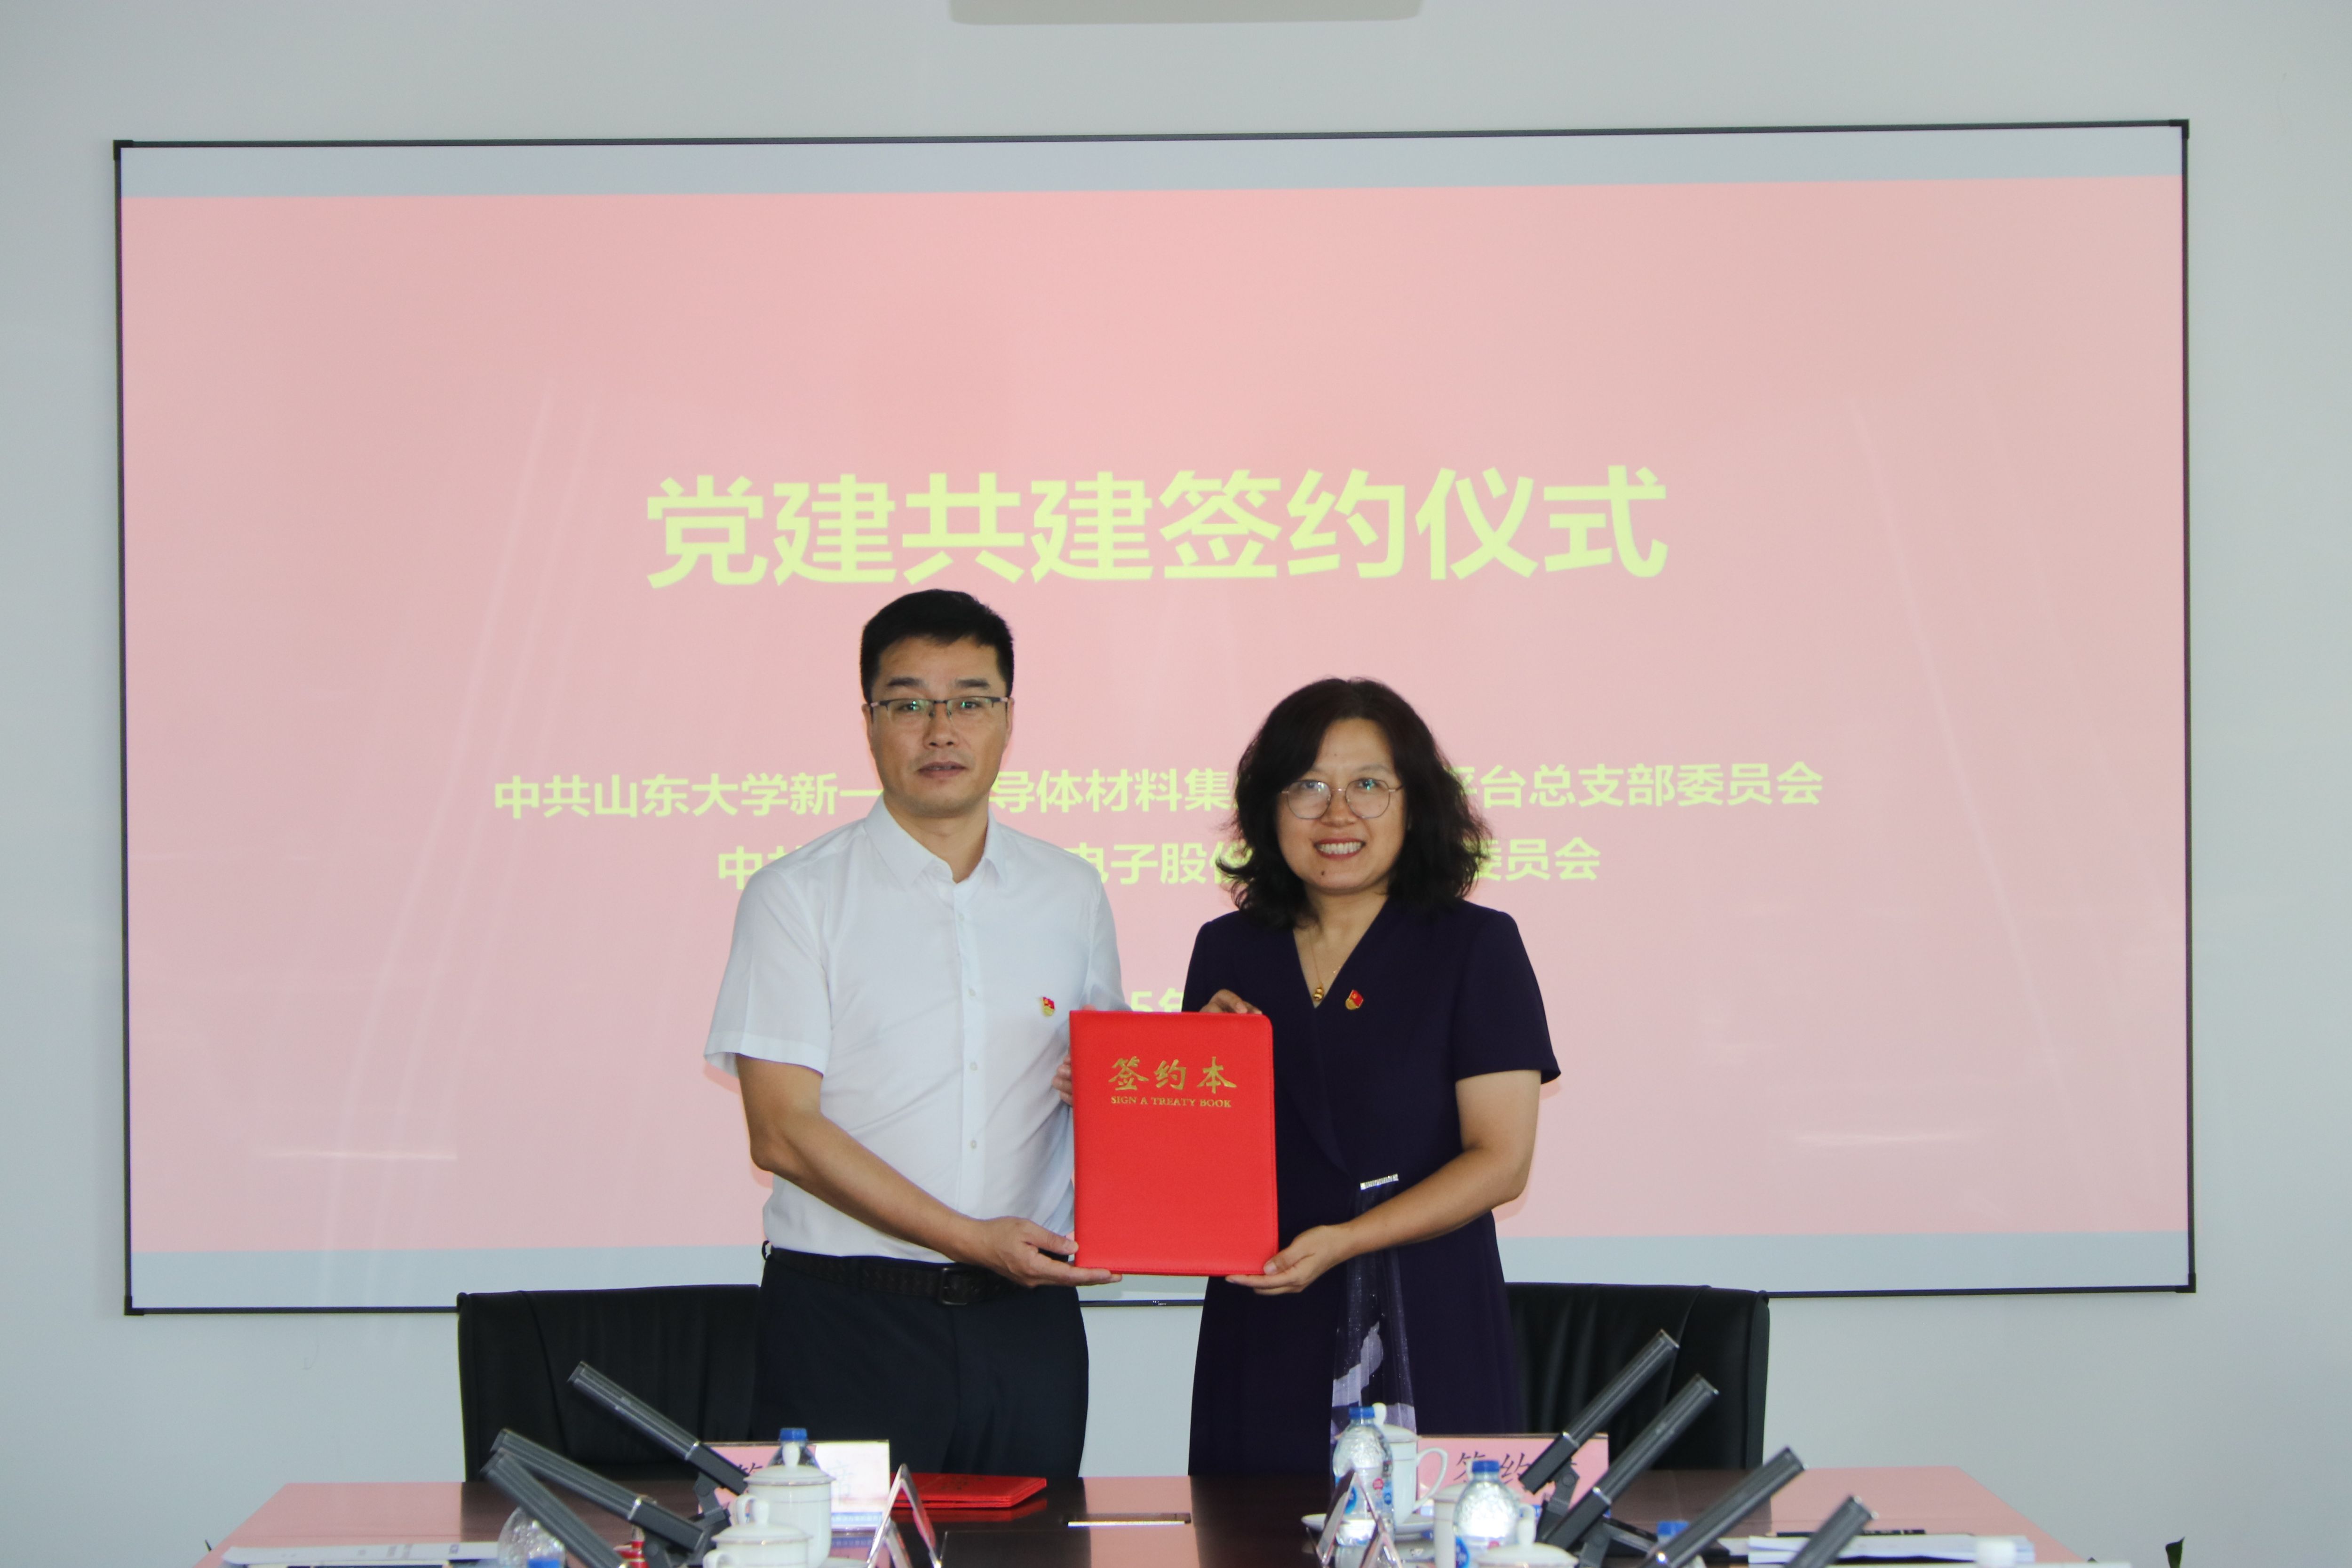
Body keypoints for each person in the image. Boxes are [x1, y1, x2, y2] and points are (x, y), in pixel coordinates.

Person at [703, 589, 1123, 1477]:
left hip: (1027, 1330)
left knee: (1036, 1543)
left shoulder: (1071, 892)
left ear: (1007, 719)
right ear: (869, 723)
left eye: (970, 701)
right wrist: (971, 1238)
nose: (941, 730)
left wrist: (1203, 1057)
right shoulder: (796, 896)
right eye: (908, 704)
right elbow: (782, 1131)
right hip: (847, 1323)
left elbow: (1115, 1088)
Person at [1183, 678, 1559, 1476]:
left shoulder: (1476, 946)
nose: (1337, 814)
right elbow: (1201, 1165)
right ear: (1268, 809)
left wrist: (1347, 1241)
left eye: (1368, 786)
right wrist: (1164, 1079)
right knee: (1251, 1528)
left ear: (1415, 805)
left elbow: (1502, 1161)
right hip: (1268, 1312)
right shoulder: (1228, 950)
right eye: (1307, 787)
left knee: (1435, 1529)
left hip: (1426, 1310)